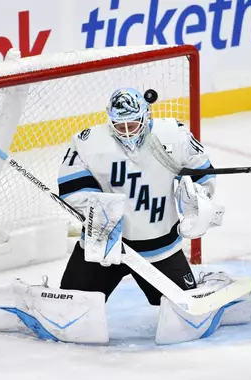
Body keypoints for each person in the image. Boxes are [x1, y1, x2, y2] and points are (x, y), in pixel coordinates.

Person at [57, 88, 224, 304]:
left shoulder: (174, 135)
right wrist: (101, 215)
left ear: (146, 116)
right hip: (105, 245)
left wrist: (195, 200)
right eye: (120, 125)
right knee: (70, 306)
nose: (127, 131)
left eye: (133, 123)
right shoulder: (88, 142)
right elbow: (72, 187)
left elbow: (202, 173)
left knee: (181, 308)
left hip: (160, 248)